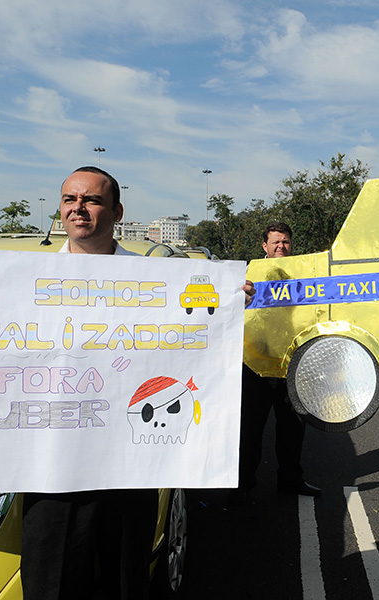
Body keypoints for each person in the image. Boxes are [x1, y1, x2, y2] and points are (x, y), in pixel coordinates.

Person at [21, 166, 255, 599]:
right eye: (70, 200)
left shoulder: (156, 282)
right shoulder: (22, 279)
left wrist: (229, 302)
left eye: (91, 200)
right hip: (52, 465)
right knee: (50, 580)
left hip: (128, 465)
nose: (78, 209)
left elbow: (190, 337)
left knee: (125, 579)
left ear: (116, 211)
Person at [231, 222, 320, 504]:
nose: (281, 246)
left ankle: (290, 480)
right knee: (250, 431)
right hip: (255, 367)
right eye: (276, 242)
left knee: (293, 430)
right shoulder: (247, 275)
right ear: (264, 247)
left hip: (291, 365)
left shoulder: (304, 275)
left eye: (286, 242)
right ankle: (243, 484)